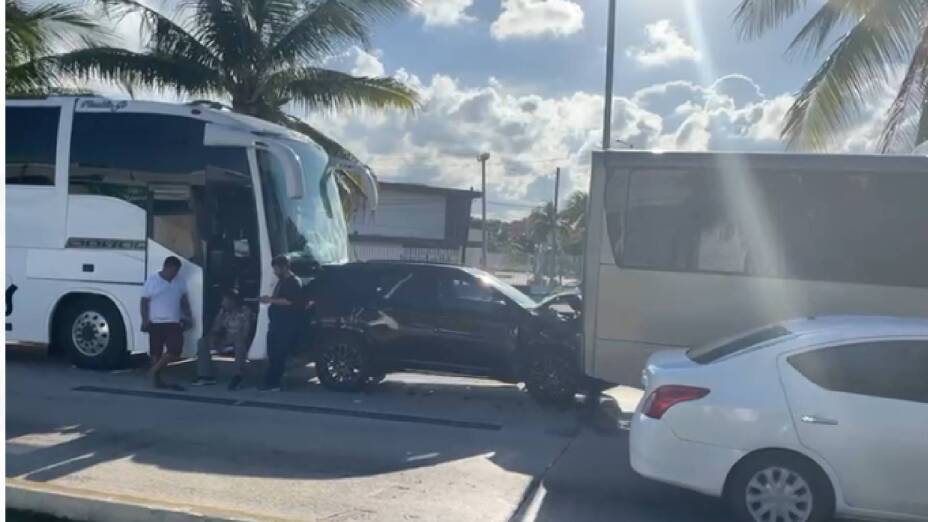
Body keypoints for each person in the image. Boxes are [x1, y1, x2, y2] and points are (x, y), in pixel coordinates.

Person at [141, 256, 192, 390]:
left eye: (177, 271)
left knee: (175, 349)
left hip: (173, 322)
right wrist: (145, 320)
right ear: (166, 267)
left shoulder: (179, 282)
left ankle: (153, 371)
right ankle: (157, 380)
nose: (175, 274)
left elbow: (184, 301)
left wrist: (188, 316)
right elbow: (144, 302)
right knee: (155, 351)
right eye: (173, 271)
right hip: (156, 321)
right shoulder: (152, 281)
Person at [192, 289, 255, 390]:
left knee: (239, 343)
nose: (222, 303)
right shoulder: (223, 312)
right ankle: (205, 376)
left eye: (225, 301)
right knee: (202, 342)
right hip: (226, 339)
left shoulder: (245, 311)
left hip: (241, 338)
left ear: (232, 301)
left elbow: (247, 331)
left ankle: (238, 376)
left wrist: (233, 341)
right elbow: (215, 329)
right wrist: (214, 339)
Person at [259, 255, 303, 391]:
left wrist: (271, 301)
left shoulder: (293, 282)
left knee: (278, 354)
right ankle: (271, 381)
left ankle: (273, 383)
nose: (275, 272)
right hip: (276, 323)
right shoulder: (281, 281)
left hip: (286, 324)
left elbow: (288, 301)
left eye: (276, 268)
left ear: (284, 267)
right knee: (272, 353)